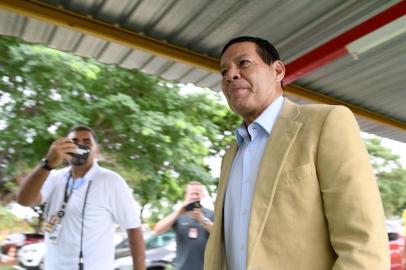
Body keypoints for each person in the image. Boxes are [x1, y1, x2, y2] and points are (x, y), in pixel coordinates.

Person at [204, 36, 389, 270]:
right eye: (223, 72)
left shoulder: (325, 123)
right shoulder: (231, 154)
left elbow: (364, 244)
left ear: (278, 71)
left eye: (244, 63)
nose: (230, 75)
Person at [17, 125, 145, 270]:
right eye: (74, 141)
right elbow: (24, 200)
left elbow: (134, 229)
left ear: (96, 151)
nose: (80, 145)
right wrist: (47, 164)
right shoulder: (53, 177)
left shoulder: (111, 181)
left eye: (87, 142)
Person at [154, 181, 214, 270]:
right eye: (191, 194)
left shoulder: (210, 214)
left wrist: (202, 219)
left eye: (197, 193)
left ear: (202, 195)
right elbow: (157, 230)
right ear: (186, 195)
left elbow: (219, 236)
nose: (194, 196)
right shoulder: (179, 214)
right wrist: (178, 213)